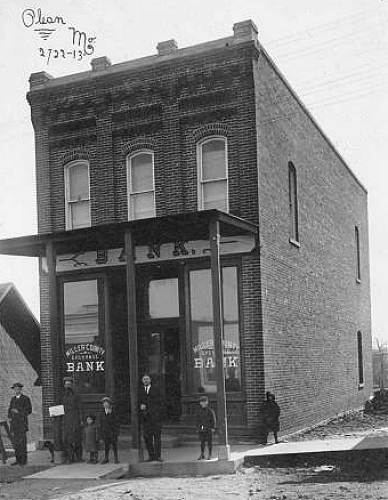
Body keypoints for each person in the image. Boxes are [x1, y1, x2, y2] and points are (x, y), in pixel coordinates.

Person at [138, 374, 163, 462]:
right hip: (145, 419)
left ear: (150, 380)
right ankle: (151, 455)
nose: (146, 380)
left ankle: (158, 456)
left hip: (155, 418)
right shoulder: (140, 391)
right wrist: (140, 407)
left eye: (147, 379)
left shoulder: (156, 389)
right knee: (147, 438)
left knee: (157, 438)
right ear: (142, 381)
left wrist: (150, 407)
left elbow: (160, 402)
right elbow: (137, 402)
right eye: (144, 379)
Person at [7, 382, 32, 466]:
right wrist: (10, 416)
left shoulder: (25, 399)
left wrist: (18, 412)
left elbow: (29, 410)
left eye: (18, 389)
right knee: (16, 443)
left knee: (22, 443)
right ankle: (17, 460)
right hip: (14, 424)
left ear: (21, 389)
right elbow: (10, 409)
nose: (16, 390)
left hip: (22, 424)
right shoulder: (13, 399)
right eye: (15, 389)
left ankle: (23, 461)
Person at [62, 377, 82, 464]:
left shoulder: (76, 395)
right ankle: (70, 457)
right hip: (65, 419)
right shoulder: (62, 395)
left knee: (76, 438)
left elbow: (80, 407)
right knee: (67, 439)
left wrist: (80, 419)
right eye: (66, 384)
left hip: (74, 418)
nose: (68, 386)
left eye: (69, 384)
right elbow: (58, 406)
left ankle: (78, 457)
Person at [98, 396, 119, 464]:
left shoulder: (113, 412)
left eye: (107, 403)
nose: (105, 404)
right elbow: (100, 423)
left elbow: (116, 422)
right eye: (104, 403)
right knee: (106, 445)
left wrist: (116, 431)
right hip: (105, 431)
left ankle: (116, 458)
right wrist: (101, 433)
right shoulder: (101, 412)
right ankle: (106, 458)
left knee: (114, 445)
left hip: (112, 431)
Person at [196, 395, 216, 460]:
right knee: (202, 442)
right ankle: (202, 454)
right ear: (200, 403)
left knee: (209, 442)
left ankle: (210, 454)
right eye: (202, 402)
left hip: (209, 428)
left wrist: (213, 427)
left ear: (207, 402)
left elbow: (213, 420)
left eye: (204, 402)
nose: (203, 403)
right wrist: (198, 428)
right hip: (202, 428)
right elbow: (198, 420)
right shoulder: (199, 411)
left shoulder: (210, 411)